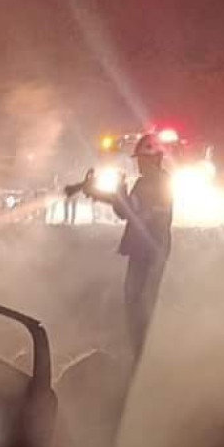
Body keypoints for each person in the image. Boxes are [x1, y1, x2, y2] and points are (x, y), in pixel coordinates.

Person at [87, 134, 173, 357]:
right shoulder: (146, 183)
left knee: (142, 302)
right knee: (132, 299)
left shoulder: (160, 183)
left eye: (143, 160)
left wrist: (118, 193)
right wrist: (102, 194)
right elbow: (125, 210)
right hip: (142, 251)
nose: (139, 164)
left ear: (156, 159)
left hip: (151, 253)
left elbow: (134, 212)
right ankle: (134, 348)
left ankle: (140, 352)